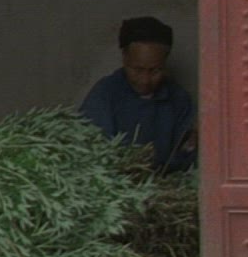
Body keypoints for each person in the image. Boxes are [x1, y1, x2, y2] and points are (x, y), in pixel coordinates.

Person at [80, 16, 197, 174]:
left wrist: (190, 146)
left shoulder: (178, 100)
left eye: (155, 71)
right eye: (137, 70)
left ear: (165, 62)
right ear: (124, 57)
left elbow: (186, 159)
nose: (145, 80)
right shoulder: (104, 95)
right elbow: (93, 154)